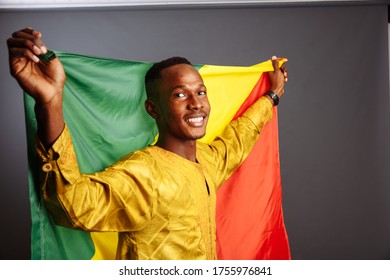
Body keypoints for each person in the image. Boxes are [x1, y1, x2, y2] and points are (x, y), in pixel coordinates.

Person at [7, 27, 288, 260]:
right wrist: (51, 101)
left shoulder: (208, 161)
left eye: (200, 92)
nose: (196, 104)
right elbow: (74, 205)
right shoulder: (144, 174)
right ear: (153, 109)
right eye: (180, 95)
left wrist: (271, 96)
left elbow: (239, 138)